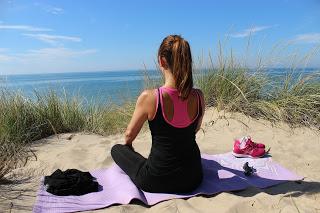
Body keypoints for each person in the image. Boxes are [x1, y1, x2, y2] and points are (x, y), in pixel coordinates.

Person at [111, 35, 205, 193]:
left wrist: (129, 148)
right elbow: (194, 129)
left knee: (116, 149)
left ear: (162, 61)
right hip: (194, 178)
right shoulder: (199, 96)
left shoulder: (150, 97)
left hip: (157, 180)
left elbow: (128, 136)